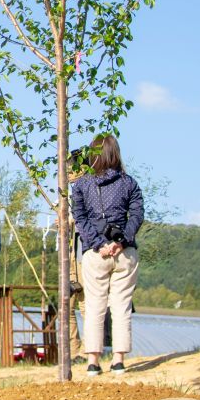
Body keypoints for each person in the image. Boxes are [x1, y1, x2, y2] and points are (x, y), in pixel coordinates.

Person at [69, 135, 143, 376]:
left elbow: (80, 219)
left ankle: (92, 361)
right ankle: (119, 359)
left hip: (95, 254)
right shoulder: (129, 183)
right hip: (125, 253)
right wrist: (121, 241)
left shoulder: (81, 185)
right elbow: (137, 216)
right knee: (121, 306)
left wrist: (98, 243)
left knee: (94, 306)